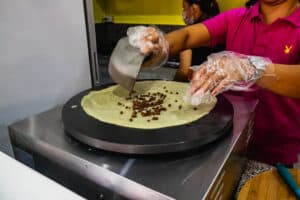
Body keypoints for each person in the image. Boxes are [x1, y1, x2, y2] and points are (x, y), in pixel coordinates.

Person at [129, 0, 300, 166]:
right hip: (225, 140)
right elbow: (187, 36)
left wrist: (252, 68)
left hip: (274, 151)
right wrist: (161, 44)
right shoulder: (238, 18)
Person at [174, 0, 221, 81]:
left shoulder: (190, 34)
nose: (183, 12)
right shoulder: (221, 28)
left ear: (194, 8)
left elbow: (183, 72)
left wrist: (171, 85)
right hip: (217, 88)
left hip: (196, 88)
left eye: (184, 8)